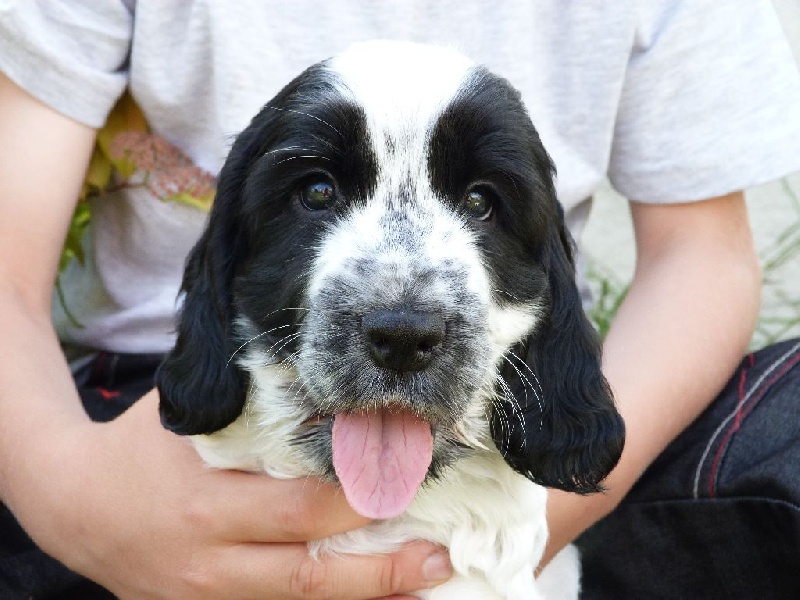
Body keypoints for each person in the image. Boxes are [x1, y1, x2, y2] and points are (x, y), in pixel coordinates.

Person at [1, 1, 799, 598]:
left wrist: (511, 540)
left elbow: (703, 257)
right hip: (151, 424)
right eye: (315, 189)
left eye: (484, 202)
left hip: (525, 423)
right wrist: (73, 502)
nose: (404, 303)